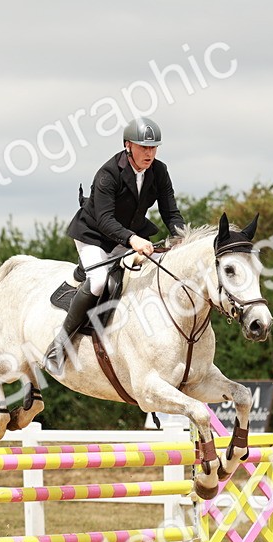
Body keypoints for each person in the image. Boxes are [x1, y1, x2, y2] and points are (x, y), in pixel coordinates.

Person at [43, 116, 186, 376]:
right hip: (94, 235)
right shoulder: (108, 174)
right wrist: (133, 239)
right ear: (128, 145)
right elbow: (105, 220)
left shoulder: (159, 171)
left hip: (128, 234)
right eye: (143, 147)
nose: (149, 153)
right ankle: (58, 347)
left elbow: (170, 212)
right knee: (98, 281)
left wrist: (182, 238)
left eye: (153, 148)